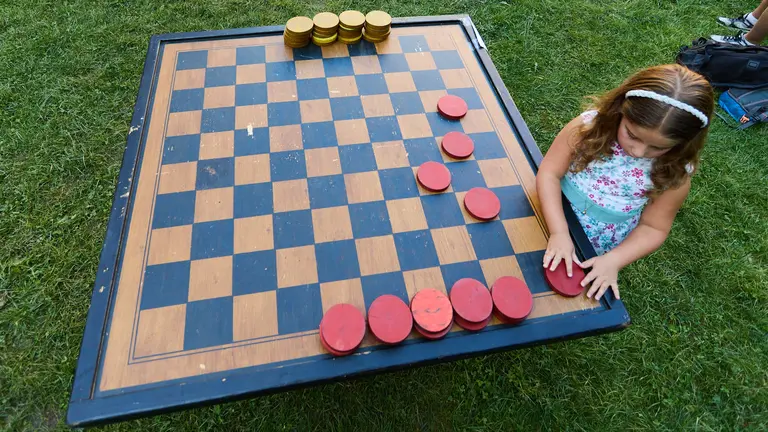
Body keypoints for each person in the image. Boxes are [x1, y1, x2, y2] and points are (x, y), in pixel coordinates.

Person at [536, 64, 714, 301]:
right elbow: (549, 173)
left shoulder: (675, 173)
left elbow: (654, 227)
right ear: (620, 109)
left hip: (596, 242)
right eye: (632, 135)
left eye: (659, 147)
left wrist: (613, 260)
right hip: (548, 207)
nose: (639, 151)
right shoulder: (586, 128)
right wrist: (559, 231)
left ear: (685, 141)